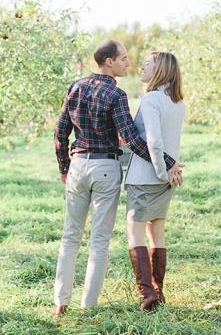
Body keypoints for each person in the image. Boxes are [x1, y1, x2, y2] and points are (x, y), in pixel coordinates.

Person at [52, 40, 183, 317]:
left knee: (69, 237)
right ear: (109, 61)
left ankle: (61, 302)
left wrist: (65, 167)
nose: (129, 63)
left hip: (77, 166)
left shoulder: (75, 87)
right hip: (106, 169)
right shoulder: (116, 95)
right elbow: (134, 140)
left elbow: (60, 133)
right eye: (123, 58)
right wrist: (169, 163)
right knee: (99, 240)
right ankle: (88, 305)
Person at [124, 51, 185, 311]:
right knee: (156, 234)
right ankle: (158, 293)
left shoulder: (150, 99)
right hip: (167, 180)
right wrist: (168, 173)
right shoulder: (177, 102)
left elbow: (154, 141)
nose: (142, 67)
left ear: (158, 69)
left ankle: (147, 296)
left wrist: (161, 171)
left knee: (134, 233)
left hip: (146, 178)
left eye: (147, 64)